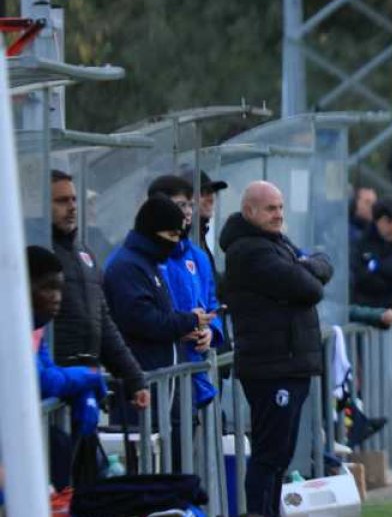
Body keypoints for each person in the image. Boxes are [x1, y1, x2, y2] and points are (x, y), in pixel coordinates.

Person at [221, 181, 332, 517]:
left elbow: (323, 262)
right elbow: (309, 288)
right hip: (272, 367)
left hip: (289, 364)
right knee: (270, 455)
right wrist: (306, 268)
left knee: (280, 455)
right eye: (271, 209)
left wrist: (305, 266)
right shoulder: (249, 251)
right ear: (249, 211)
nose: (279, 215)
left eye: (281, 207)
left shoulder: (275, 242)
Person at [104, 196, 214, 427]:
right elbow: (143, 320)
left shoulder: (148, 263)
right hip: (144, 388)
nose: (176, 243)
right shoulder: (128, 267)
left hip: (163, 385)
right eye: (172, 235)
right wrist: (189, 320)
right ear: (153, 231)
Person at [49, 170, 149, 409]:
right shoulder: (32, 252)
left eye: (74, 200)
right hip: (52, 388)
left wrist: (134, 378)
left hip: (83, 383)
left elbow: (103, 322)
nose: (72, 207)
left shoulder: (83, 254)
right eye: (62, 201)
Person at [28, 245, 108, 490]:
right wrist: (89, 377)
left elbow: (50, 370)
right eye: (47, 288)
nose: (56, 297)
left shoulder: (36, 327)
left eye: (59, 289)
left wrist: (83, 392)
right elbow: (42, 381)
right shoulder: (10, 325)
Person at [146, 174, 225, 408]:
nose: (189, 211)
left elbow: (212, 303)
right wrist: (178, 329)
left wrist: (210, 331)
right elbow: (138, 315)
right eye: (181, 205)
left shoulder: (197, 255)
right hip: (159, 371)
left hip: (195, 372)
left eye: (190, 204)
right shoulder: (144, 257)